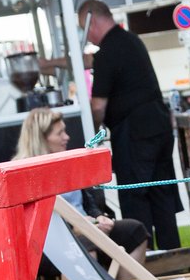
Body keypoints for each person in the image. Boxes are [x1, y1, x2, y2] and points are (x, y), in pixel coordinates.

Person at [79, 0, 183, 250]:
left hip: (134, 132)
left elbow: (98, 106)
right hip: (158, 126)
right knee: (161, 193)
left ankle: (142, 257)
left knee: (135, 196)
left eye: (83, 27)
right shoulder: (130, 40)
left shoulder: (107, 52)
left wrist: (90, 133)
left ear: (92, 20)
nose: (86, 35)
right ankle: (172, 253)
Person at [15, 107, 149, 262]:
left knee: (135, 231)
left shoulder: (65, 162)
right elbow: (32, 223)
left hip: (86, 228)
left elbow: (86, 202)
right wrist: (75, 228)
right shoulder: (24, 173)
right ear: (41, 138)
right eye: (60, 133)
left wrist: (99, 216)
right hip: (50, 241)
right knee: (85, 247)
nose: (67, 137)